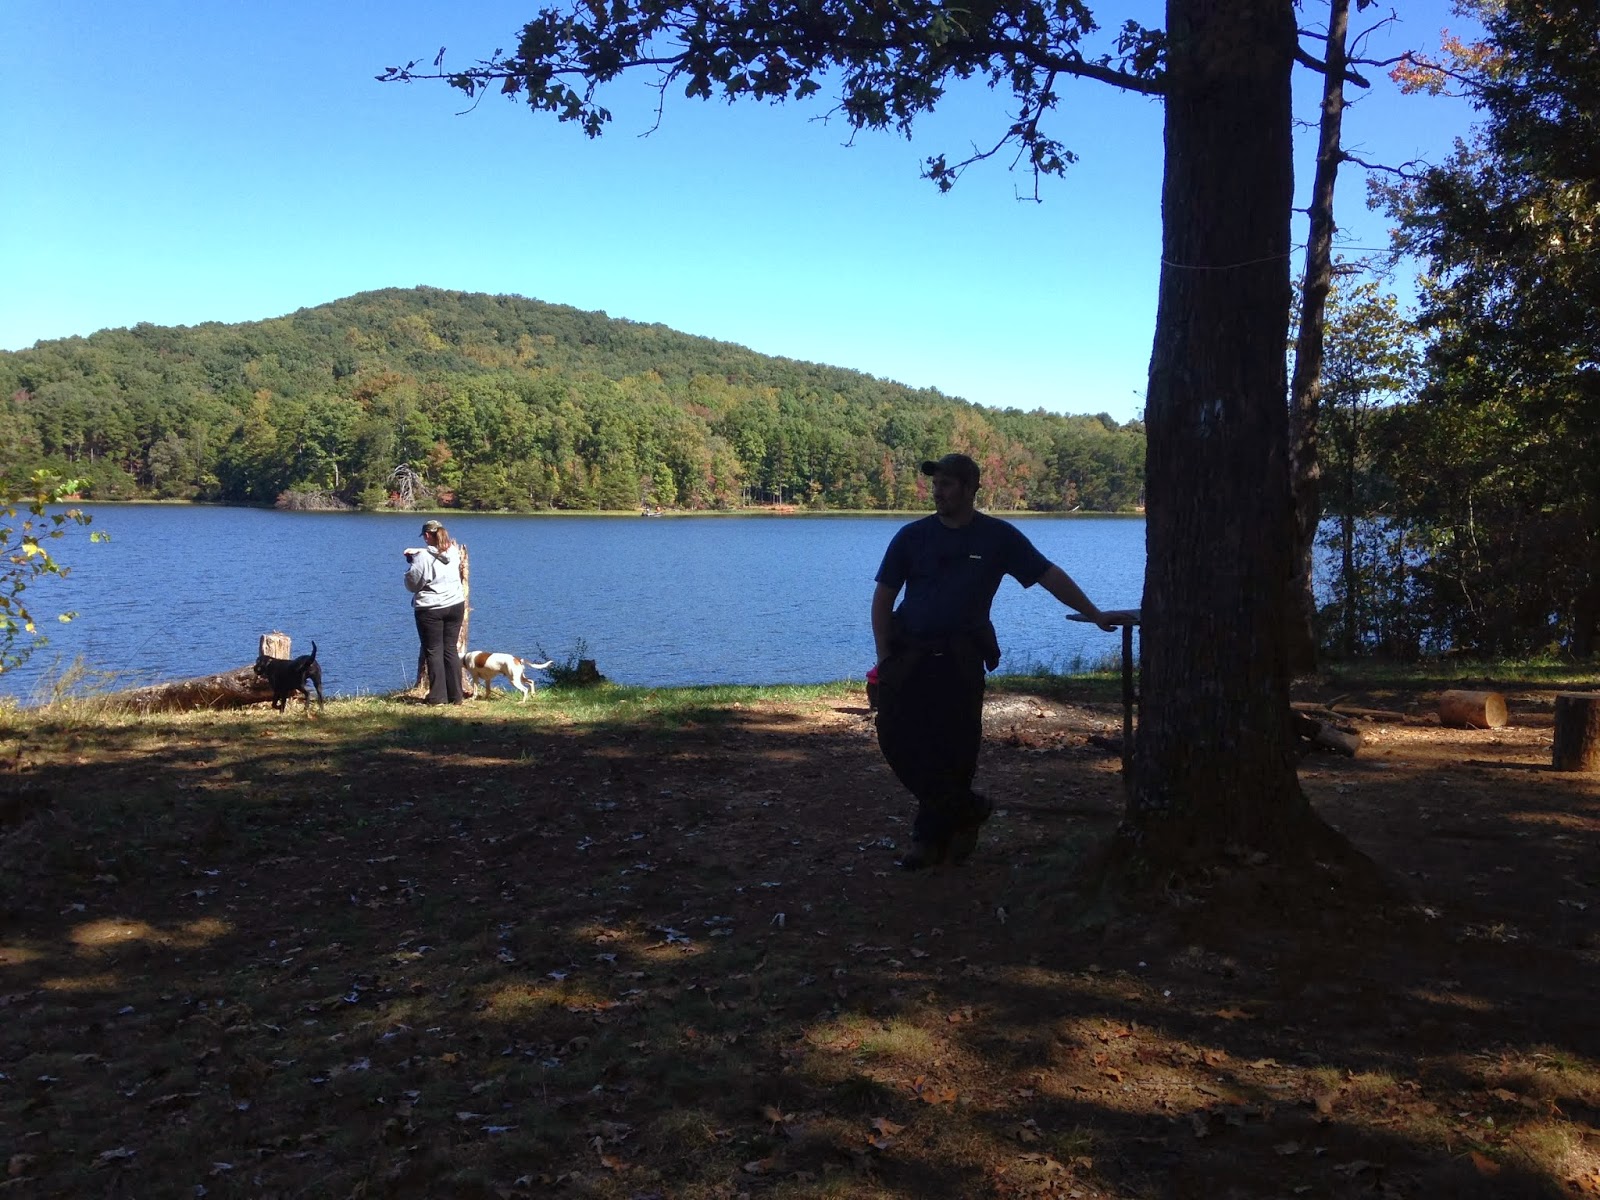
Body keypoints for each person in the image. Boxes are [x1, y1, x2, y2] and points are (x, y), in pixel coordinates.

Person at [872, 453, 1113, 871]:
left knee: (957, 750)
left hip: (962, 659)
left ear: (970, 489)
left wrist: (1094, 614)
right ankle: (968, 810)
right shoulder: (911, 537)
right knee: (895, 738)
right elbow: (883, 599)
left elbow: (1048, 575)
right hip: (909, 656)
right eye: (936, 484)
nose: (938, 492)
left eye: (947, 484)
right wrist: (883, 654)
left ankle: (930, 840)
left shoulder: (997, 537)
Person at [404, 519, 466, 705]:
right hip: (455, 606)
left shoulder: (422, 558)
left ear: (427, 535)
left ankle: (437, 697)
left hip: (431, 609)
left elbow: (412, 584)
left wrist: (411, 563)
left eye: (424, 536)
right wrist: (418, 553)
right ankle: (456, 696)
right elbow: (437, 554)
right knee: (450, 649)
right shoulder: (454, 552)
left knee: (434, 650)